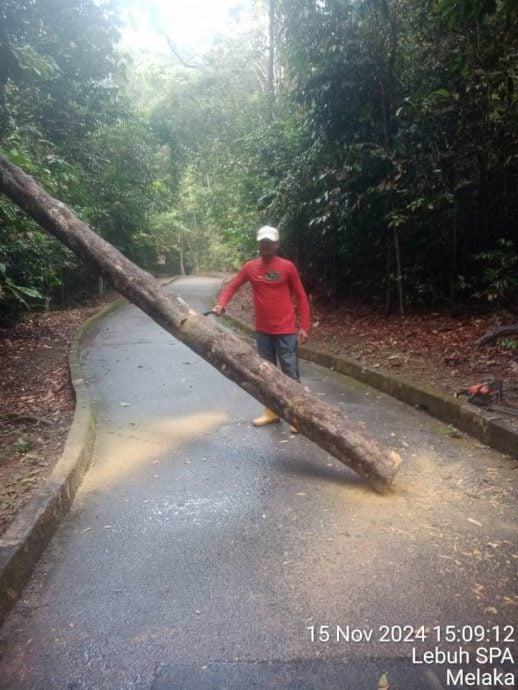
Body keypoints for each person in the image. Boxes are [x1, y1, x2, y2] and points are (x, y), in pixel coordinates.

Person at [213, 225, 310, 430]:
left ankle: (298, 417)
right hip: (263, 331)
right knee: (267, 372)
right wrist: (222, 303)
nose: (266, 245)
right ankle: (271, 411)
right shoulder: (250, 267)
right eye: (262, 241)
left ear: (277, 244)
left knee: (290, 373)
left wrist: (304, 326)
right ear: (259, 243)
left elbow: (301, 296)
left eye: (270, 242)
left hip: (285, 331)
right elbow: (232, 286)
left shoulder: (287, 267)